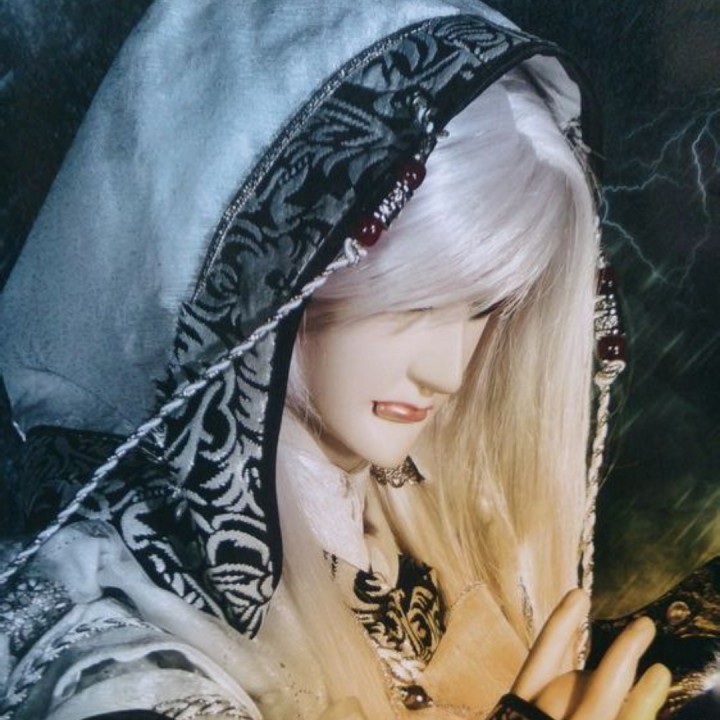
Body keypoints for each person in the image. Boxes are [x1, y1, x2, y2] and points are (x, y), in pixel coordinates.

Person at [0, 1, 672, 718]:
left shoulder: (427, 511)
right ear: (269, 274)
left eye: (482, 308)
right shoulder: (115, 611)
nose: (447, 372)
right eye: (412, 300)